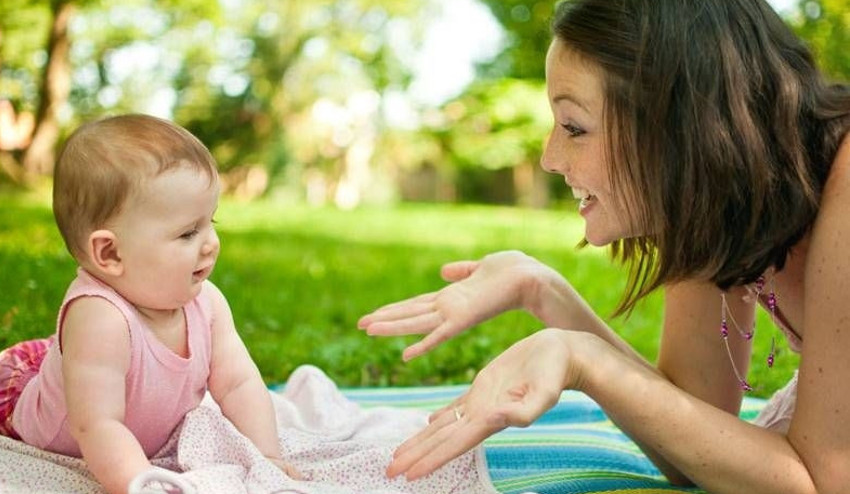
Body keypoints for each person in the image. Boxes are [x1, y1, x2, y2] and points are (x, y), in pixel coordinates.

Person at [358, 0, 850, 492]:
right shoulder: (717, 206)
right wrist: (543, 293)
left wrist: (586, 359)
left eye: (574, 127)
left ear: (681, 126)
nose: (550, 158)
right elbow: (691, 450)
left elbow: (821, 483)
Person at [0, 114, 300, 494]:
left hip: (94, 365)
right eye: (188, 232)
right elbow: (99, 425)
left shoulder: (208, 304)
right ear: (110, 252)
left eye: (211, 221)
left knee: (86, 363)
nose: (212, 242)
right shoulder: (100, 318)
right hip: (24, 398)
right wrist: (141, 485)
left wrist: (268, 456)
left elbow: (238, 383)